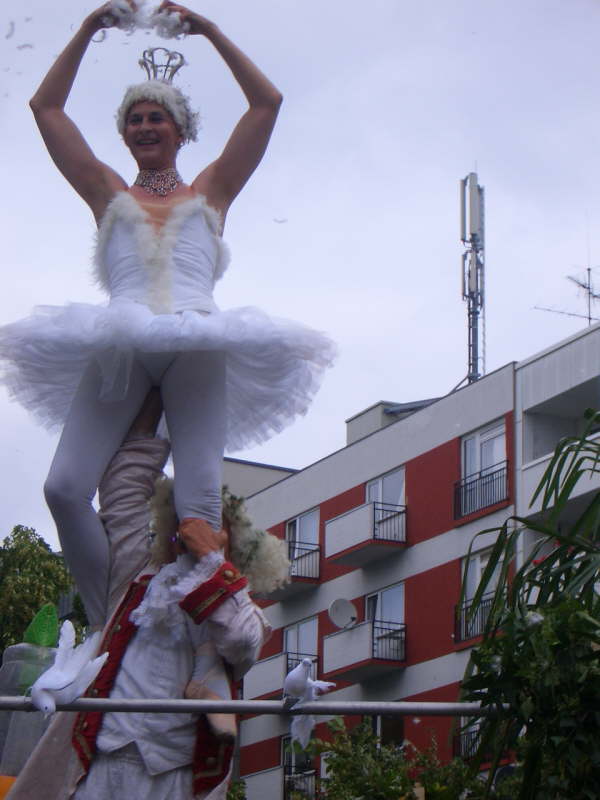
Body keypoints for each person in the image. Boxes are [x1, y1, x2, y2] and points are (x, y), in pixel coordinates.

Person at [0, 1, 335, 631]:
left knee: (198, 502)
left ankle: (200, 635)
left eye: (157, 116)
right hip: (122, 340)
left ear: (180, 131)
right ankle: (109, 623)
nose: (145, 125)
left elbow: (267, 104)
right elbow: (46, 110)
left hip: (198, 342)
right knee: (64, 488)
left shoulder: (212, 191)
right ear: (124, 134)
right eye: (134, 118)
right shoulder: (106, 192)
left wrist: (208, 31)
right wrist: (88, 29)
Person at [8, 390, 276, 800]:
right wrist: (155, 401)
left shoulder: (241, 607)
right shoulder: (136, 579)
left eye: (207, 529)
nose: (189, 536)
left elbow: (241, 642)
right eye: (184, 527)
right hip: (98, 762)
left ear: (229, 543)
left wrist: (210, 559)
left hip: (176, 775)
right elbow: (122, 495)